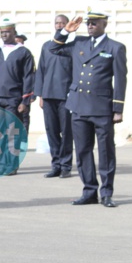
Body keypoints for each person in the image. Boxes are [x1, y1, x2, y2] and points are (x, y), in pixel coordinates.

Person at [49, 11, 127, 208]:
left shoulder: (115, 47)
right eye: (88, 23)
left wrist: (118, 108)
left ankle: (107, 193)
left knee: (106, 152)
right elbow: (54, 48)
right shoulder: (79, 43)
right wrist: (66, 31)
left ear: (104, 24)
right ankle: (89, 191)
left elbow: (120, 79)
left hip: (101, 107)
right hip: (78, 106)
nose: (90, 26)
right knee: (83, 151)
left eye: (94, 23)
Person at [0, 18, 35, 176]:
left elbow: (28, 77)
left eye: (7, 32)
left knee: (12, 133)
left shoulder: (23, 52)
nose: (4, 35)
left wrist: (25, 100)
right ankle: (2, 164)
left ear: (14, 33)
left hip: (14, 99)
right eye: (2, 32)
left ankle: (12, 164)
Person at [35, 14, 74, 179]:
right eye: (57, 23)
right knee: (51, 131)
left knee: (66, 132)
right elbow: (40, 70)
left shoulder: (74, 46)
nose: (59, 25)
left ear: (68, 26)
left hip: (66, 96)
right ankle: (55, 165)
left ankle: (66, 166)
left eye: (63, 23)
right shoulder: (47, 46)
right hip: (48, 95)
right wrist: (40, 95)